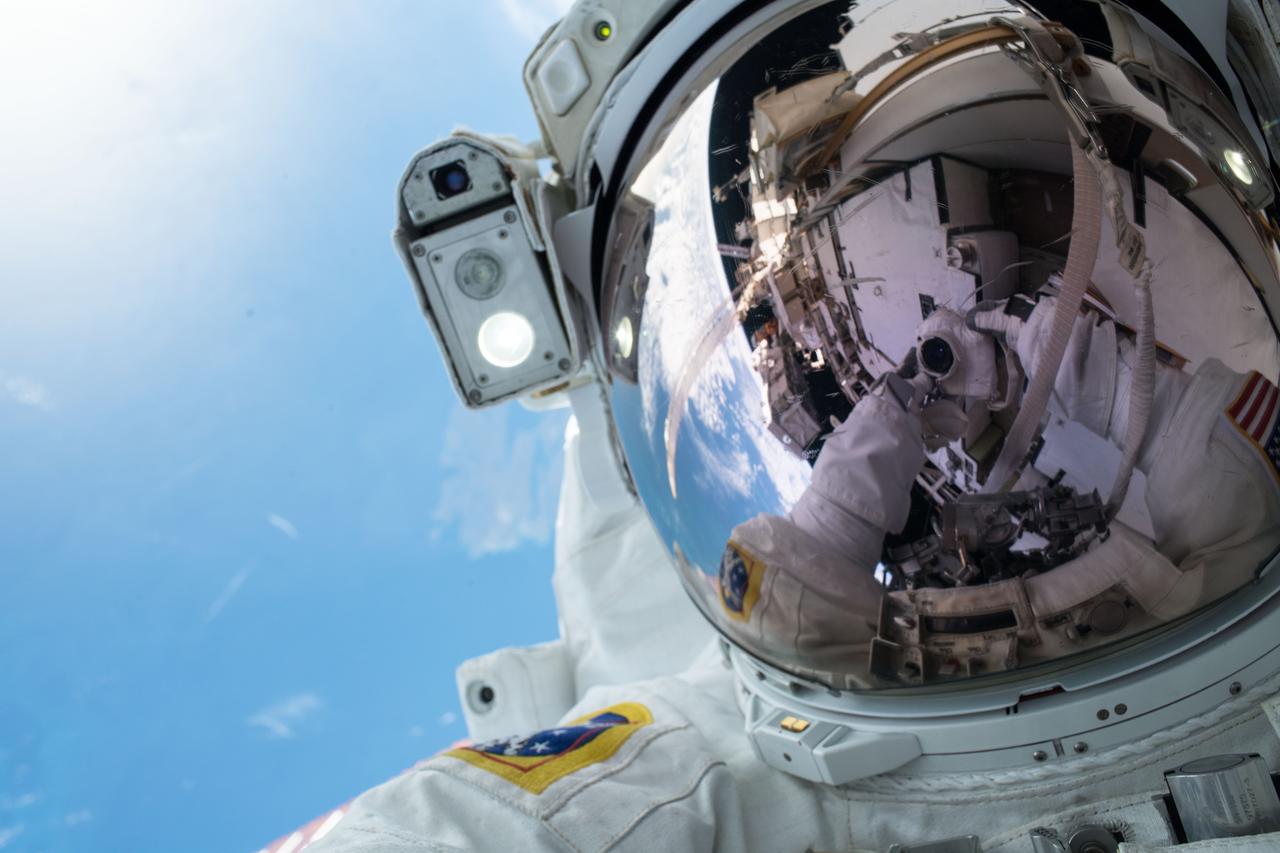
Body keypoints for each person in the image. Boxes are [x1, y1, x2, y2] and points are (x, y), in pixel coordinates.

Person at [305, 1, 1280, 849]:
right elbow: (482, 826)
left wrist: (1013, 392)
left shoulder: (1087, 365)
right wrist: (899, 414)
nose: (942, 335)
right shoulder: (736, 760)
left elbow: (1212, 468)